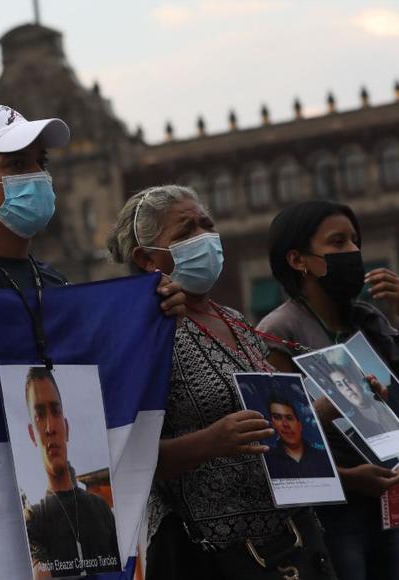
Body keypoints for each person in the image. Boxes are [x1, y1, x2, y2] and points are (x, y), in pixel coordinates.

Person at [107, 185, 336, 580]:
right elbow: (123, 456)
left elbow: (268, 424)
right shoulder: (141, 334)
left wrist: (320, 413)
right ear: (147, 258)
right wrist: (211, 441)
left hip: (295, 544)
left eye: (206, 225)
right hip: (214, 556)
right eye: (185, 232)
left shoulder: (235, 319)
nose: (204, 237)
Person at [0, 105, 185, 321]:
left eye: (41, 162)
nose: (39, 175)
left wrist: (153, 311)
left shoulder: (54, 283)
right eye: (18, 165)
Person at [258, 200, 399, 580]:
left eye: (355, 241)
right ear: (298, 260)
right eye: (338, 242)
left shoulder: (367, 318)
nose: (353, 252)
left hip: (387, 499)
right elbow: (283, 438)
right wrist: (350, 476)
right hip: (333, 510)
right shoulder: (279, 331)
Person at [22, 367, 120, 577]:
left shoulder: (102, 509)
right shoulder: (33, 520)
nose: (50, 427)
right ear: (32, 434)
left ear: (66, 427)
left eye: (55, 411)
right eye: (39, 415)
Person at [263, 392, 334, 479]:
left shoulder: (323, 457)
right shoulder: (267, 461)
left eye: (289, 418)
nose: (285, 424)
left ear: (300, 424)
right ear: (273, 424)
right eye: (277, 417)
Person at [325, 367, 399, 436]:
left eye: (347, 381)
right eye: (340, 385)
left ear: (357, 381)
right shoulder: (356, 435)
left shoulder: (394, 397)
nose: (347, 388)